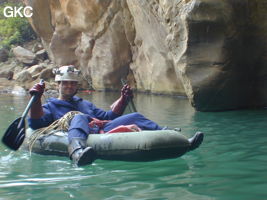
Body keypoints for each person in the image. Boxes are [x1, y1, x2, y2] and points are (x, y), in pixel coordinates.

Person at [28, 65, 203, 166]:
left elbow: (109, 115)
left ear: (76, 85)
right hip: (79, 134)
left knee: (134, 115)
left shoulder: (84, 103)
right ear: (58, 84)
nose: (69, 86)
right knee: (78, 117)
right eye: (65, 83)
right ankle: (77, 152)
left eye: (72, 83)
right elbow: (36, 123)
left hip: (99, 130)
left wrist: (123, 99)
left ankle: (173, 136)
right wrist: (36, 98)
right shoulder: (50, 106)